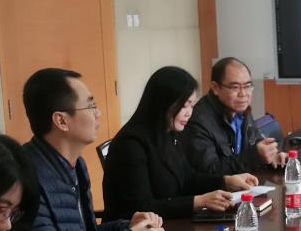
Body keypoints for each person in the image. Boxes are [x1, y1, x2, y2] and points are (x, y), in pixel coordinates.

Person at [15, 68, 164, 231]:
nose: (98, 113)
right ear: (61, 121)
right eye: (91, 106)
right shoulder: (27, 176)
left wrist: (127, 226)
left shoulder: (75, 164)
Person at [102, 66, 258, 221]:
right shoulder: (130, 144)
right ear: (162, 103)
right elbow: (140, 207)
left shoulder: (169, 134)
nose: (189, 113)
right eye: (184, 105)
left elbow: (188, 178)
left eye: (192, 105)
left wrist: (226, 181)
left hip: (169, 225)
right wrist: (198, 202)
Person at [183, 57, 285, 174]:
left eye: (247, 86)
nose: (243, 94)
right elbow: (210, 171)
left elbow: (256, 142)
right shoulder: (199, 121)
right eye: (235, 87)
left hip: (245, 181)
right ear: (215, 88)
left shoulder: (241, 109)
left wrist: (272, 156)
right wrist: (255, 156)